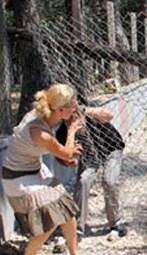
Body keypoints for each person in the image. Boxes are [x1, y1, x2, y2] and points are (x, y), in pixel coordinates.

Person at [1, 84, 82, 255]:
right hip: (18, 178)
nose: (75, 108)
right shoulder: (39, 131)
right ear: (60, 110)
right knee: (52, 220)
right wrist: (72, 130)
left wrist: (65, 155)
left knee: (67, 212)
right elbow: (66, 153)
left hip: (34, 169)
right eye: (72, 105)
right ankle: (28, 253)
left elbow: (56, 152)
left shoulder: (44, 113)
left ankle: (75, 253)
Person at [55, 104, 127, 240]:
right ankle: (77, 228)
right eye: (69, 119)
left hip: (111, 150)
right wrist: (68, 162)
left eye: (76, 117)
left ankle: (116, 223)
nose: (74, 120)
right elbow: (59, 156)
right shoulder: (63, 131)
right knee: (83, 180)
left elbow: (109, 115)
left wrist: (86, 110)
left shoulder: (91, 117)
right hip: (90, 157)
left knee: (109, 181)